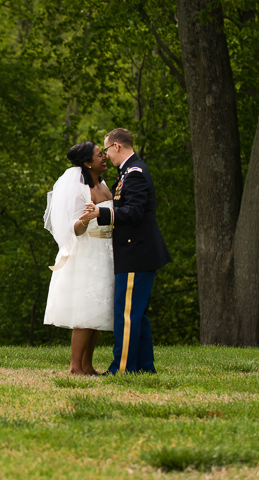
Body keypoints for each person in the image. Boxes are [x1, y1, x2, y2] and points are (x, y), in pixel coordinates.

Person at [80, 128, 170, 374]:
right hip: (136, 253)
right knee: (136, 315)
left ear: (117, 147)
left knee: (127, 315)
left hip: (136, 253)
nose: (106, 155)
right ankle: (143, 367)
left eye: (107, 149)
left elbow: (134, 212)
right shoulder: (128, 172)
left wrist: (102, 213)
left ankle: (122, 369)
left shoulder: (135, 173)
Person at [43, 141, 115, 376]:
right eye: (98, 155)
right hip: (86, 253)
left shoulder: (102, 183)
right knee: (85, 311)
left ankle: (88, 366)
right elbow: (72, 228)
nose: (104, 157)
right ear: (87, 163)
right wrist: (83, 220)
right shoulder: (78, 187)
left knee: (96, 310)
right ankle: (75, 367)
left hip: (106, 250)